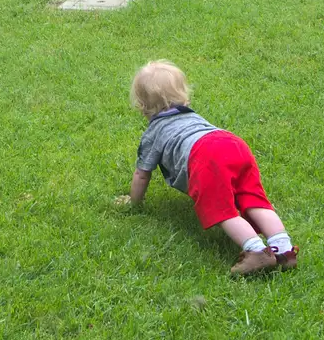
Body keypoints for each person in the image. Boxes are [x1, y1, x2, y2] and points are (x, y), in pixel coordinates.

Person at [115, 60, 297, 277]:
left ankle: (256, 251)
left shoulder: (153, 133)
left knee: (222, 208)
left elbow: (141, 175)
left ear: (142, 106)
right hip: (232, 143)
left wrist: (134, 202)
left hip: (205, 154)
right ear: (184, 96)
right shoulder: (192, 116)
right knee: (252, 198)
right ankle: (284, 250)